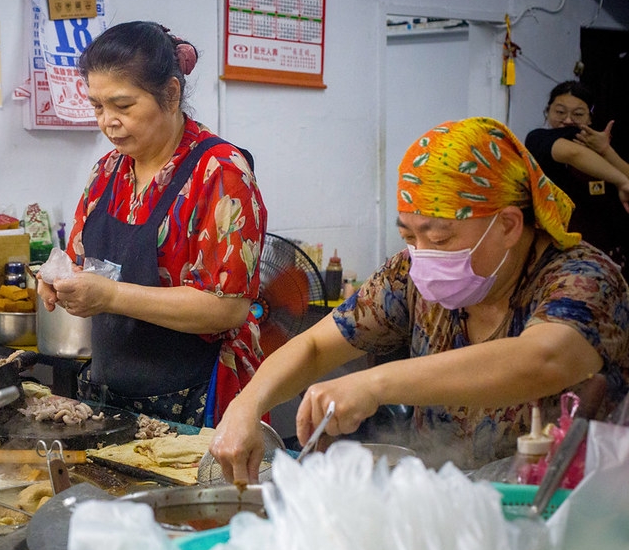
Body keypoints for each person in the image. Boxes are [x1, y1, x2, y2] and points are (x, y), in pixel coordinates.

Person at [210, 117, 629, 479]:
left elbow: (542, 360)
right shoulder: (409, 275)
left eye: (440, 237)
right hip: (447, 511)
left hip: (569, 513)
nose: (422, 254)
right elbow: (318, 345)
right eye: (409, 235)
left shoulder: (583, 279)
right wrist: (247, 404)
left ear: (507, 224)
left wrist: (374, 384)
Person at [36, 21, 267, 427]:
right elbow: (82, 262)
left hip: (199, 398)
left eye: (123, 106)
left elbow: (227, 308)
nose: (107, 121)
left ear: (171, 94)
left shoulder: (220, 173)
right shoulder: (107, 172)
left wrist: (110, 297)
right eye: (97, 106)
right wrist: (58, 278)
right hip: (113, 391)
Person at [524, 80, 629, 280]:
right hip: (562, 258)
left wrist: (606, 151)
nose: (568, 120)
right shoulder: (539, 139)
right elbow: (572, 152)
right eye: (560, 112)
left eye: (578, 114)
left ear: (590, 117)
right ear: (547, 112)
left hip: (611, 257)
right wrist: (620, 181)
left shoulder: (605, 145)